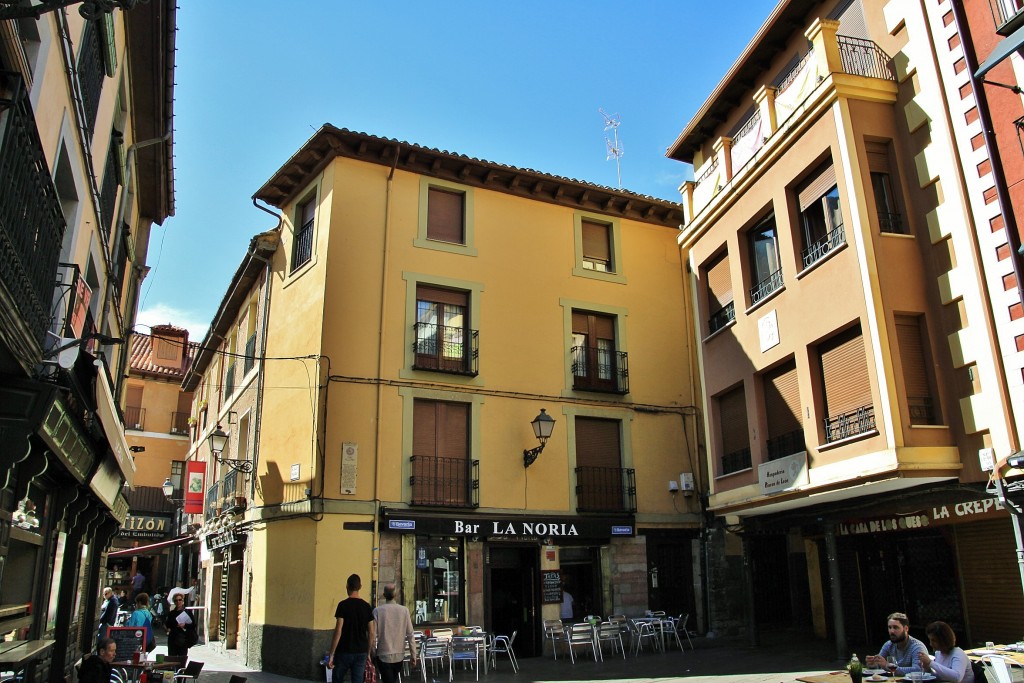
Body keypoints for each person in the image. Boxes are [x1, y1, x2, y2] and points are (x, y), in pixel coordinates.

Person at [328, 574, 376, 683]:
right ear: (360, 587)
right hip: (361, 651)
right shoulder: (366, 607)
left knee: (338, 679)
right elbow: (372, 632)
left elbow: (338, 630)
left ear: (347, 586)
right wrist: (368, 652)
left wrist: (331, 654)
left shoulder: (343, 605)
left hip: (344, 650)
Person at [371, 583, 417, 683]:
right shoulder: (404, 611)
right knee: (393, 678)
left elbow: (373, 635)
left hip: (383, 653)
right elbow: (410, 634)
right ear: (395, 595)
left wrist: (373, 653)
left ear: (384, 595)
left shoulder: (377, 611)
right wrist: (414, 654)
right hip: (399, 654)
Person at [165, 591, 197, 657]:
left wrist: (184, 625)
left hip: (183, 638)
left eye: (180, 600)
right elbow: (168, 624)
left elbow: (193, 625)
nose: (178, 602)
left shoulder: (188, 612)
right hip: (173, 639)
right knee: (172, 658)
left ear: (182, 601)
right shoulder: (172, 613)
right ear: (174, 602)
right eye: (176, 600)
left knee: (182, 659)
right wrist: (167, 628)